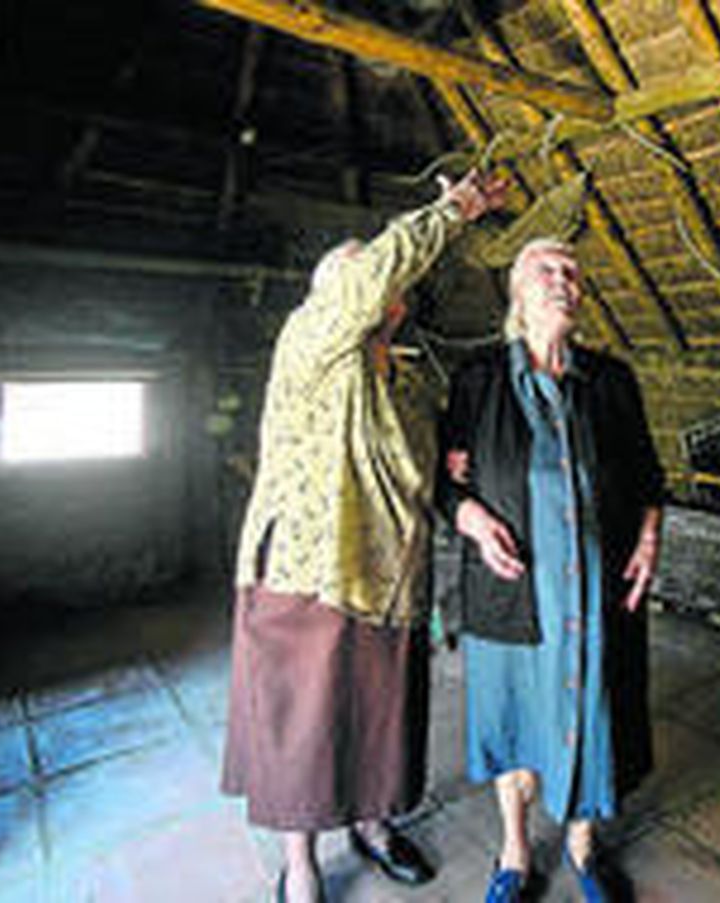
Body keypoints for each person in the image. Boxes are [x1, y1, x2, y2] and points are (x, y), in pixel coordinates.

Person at [222, 169, 507, 902]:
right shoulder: (313, 340)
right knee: (305, 725)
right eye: (361, 273)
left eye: (381, 275)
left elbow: (422, 468)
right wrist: (454, 211)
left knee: (382, 715)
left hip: (392, 572)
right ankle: (301, 865)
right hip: (310, 566)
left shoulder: (410, 377)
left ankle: (376, 827)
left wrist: (454, 478)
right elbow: (361, 280)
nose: (377, 284)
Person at [438, 238, 664, 903]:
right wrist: (472, 517)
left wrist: (649, 536)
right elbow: (442, 481)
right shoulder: (477, 379)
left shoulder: (610, 379)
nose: (563, 280)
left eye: (573, 273)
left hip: (596, 585)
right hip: (514, 590)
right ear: (517, 291)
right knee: (513, 719)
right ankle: (514, 848)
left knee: (594, 713)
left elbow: (649, 474)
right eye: (547, 270)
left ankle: (584, 846)